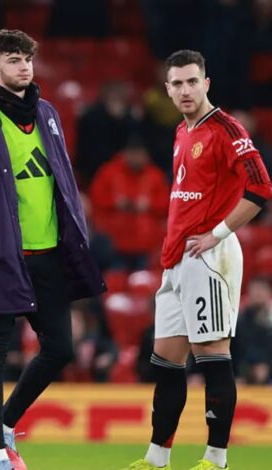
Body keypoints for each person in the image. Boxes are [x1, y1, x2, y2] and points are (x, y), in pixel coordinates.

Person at [0, 29, 105, 470]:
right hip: (2, 258)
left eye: (27, 59)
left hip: (48, 253)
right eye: (13, 59)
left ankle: (3, 424)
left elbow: (63, 178)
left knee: (60, 349)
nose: (24, 66)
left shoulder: (47, 112)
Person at [121, 50, 272, 470]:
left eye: (192, 81)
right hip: (178, 258)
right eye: (177, 83)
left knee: (212, 356)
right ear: (167, 90)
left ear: (206, 84)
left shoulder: (227, 129)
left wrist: (217, 235)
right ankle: (157, 458)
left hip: (210, 256)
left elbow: (261, 188)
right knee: (166, 361)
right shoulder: (182, 132)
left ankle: (216, 459)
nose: (185, 90)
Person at [89, 137, 169, 271]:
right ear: (124, 153)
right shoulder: (109, 172)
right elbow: (95, 197)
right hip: (115, 243)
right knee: (115, 279)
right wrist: (114, 202)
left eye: (139, 154)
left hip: (147, 246)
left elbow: (167, 204)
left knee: (142, 280)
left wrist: (149, 204)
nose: (135, 158)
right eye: (132, 153)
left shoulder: (156, 176)